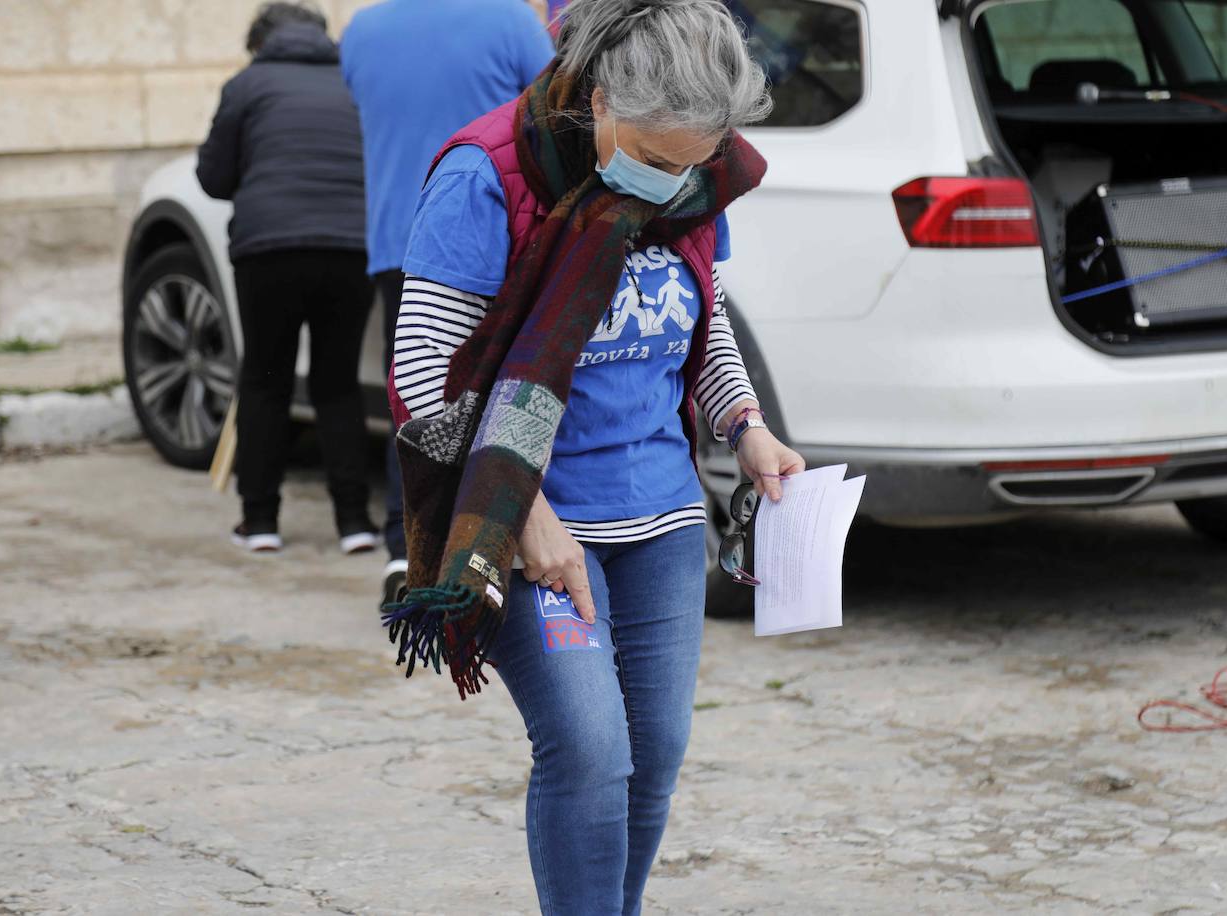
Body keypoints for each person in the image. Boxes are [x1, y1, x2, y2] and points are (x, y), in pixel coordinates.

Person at [383, 1, 806, 912]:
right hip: (534, 522)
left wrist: (747, 426)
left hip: (661, 515)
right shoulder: (486, 176)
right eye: (655, 160)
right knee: (588, 749)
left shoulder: (697, 178)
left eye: (691, 165)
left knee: (654, 757)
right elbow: (422, 372)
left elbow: (702, 319)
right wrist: (526, 517)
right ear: (603, 97)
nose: (673, 185)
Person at [340, 0, 555, 602]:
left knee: (413, 388)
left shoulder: (361, 30)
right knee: (506, 389)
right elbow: (560, 112)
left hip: (398, 237)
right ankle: (504, 541)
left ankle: (407, 544)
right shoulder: (511, 21)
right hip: (494, 238)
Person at [196, 2, 378, 555]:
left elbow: (213, 177)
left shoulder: (246, 85)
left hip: (268, 251)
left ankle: (260, 522)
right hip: (350, 247)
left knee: (265, 378)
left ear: (259, 42)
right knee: (337, 382)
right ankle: (354, 523)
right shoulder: (355, 82)